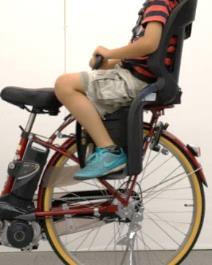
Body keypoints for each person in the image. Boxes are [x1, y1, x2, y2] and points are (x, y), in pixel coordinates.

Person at [55, 0, 179, 180]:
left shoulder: (158, 3)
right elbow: (145, 55)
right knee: (73, 83)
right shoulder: (162, 4)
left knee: (64, 84)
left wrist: (109, 53)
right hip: (133, 75)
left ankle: (108, 151)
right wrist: (110, 63)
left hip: (135, 81)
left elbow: (149, 44)